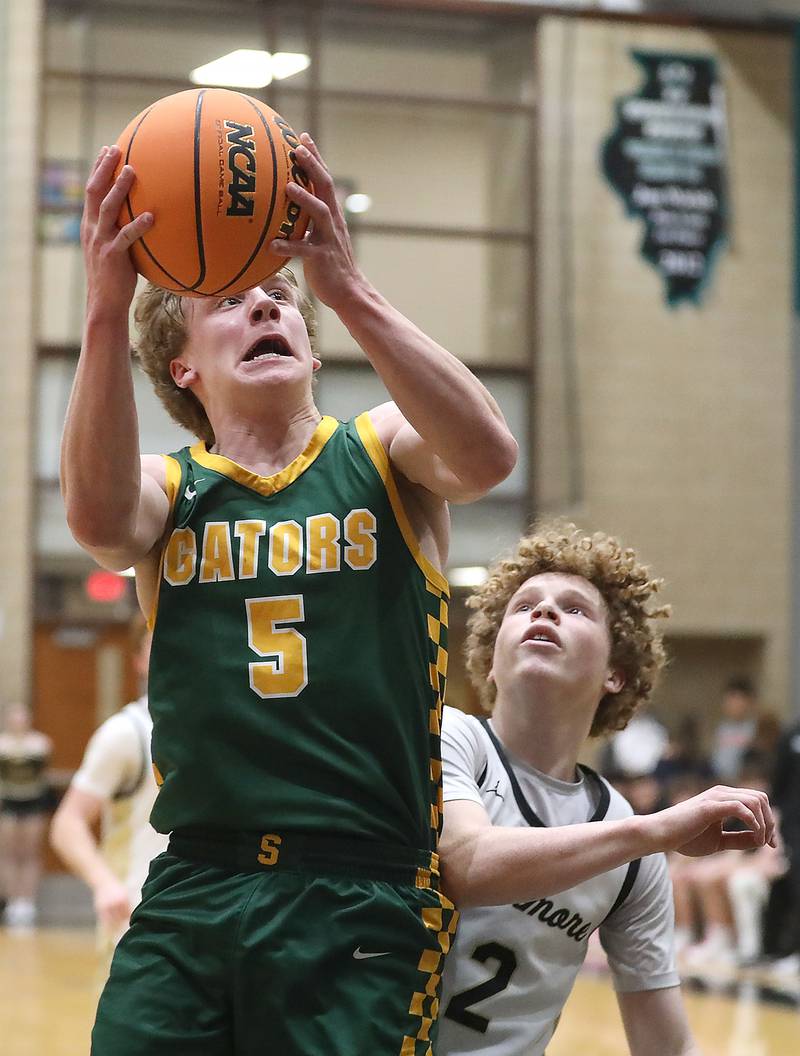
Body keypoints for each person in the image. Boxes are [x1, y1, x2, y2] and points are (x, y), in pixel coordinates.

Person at [61, 133, 518, 1055]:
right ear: (182, 367)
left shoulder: (380, 449)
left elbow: (488, 457)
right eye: (229, 300)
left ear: (311, 350)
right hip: (196, 884)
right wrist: (106, 312)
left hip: (363, 886)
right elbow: (102, 522)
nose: (265, 304)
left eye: (279, 300)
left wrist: (346, 287)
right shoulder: (173, 487)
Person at [436, 521, 775, 1056]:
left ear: (615, 672)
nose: (544, 612)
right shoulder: (451, 735)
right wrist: (657, 830)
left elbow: (666, 1043)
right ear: (492, 657)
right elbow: (467, 864)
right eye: (523, 607)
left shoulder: (631, 850)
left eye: (574, 609)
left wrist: (644, 838)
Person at [49, 625, 167, 958]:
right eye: (155, 643)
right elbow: (67, 823)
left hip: (207, 912)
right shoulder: (126, 732)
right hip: (137, 915)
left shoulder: (218, 728)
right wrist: (104, 884)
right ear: (138, 660)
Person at [0, 702, 53, 929]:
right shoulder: (2, 744)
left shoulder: (40, 743)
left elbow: (43, 775)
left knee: (30, 852)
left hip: (32, 802)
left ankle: (27, 902)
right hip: (9, 802)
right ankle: (11, 901)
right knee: (9, 853)